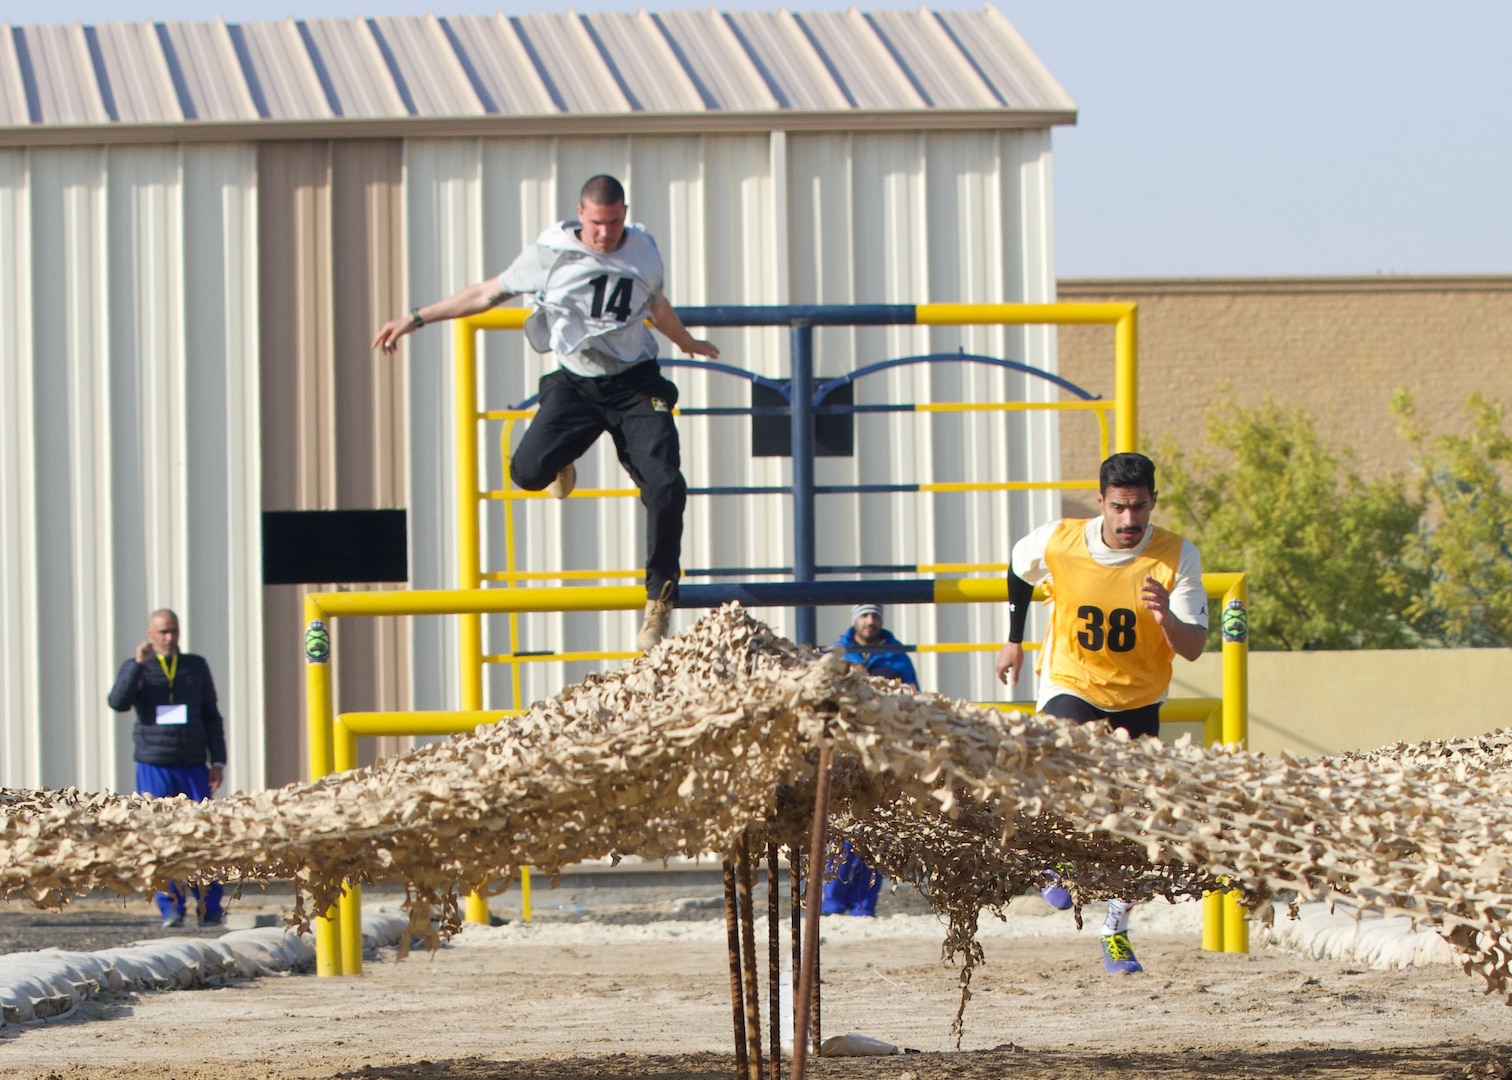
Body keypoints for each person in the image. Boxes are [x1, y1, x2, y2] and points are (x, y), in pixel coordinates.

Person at [373, 175, 719, 651]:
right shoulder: (551, 253)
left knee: (665, 484)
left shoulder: (642, 248)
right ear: (581, 215)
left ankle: (659, 600)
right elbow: (484, 293)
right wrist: (414, 319)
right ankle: (560, 458)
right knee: (527, 471)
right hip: (577, 383)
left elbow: (655, 304)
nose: (606, 234)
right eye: (598, 224)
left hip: (636, 383)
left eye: (615, 223)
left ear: (625, 214)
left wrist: (686, 341)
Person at [993, 452, 1207, 973]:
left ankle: (1116, 926)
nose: (1129, 520)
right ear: (1102, 503)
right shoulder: (1060, 539)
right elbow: (1019, 570)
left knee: (1137, 816)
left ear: (1153, 502)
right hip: (1072, 678)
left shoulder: (1177, 555)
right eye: (1119, 508)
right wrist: (1013, 640)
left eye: (1139, 508)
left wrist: (1166, 620)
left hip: (1139, 696)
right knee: (1062, 760)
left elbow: (1195, 645)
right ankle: (1056, 863)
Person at [107, 609, 227, 928]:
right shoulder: (138, 667)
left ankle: (210, 906)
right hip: (154, 763)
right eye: (162, 632)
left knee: (203, 835)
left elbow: (211, 714)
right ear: (150, 633)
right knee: (159, 836)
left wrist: (218, 760)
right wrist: (137, 665)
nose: (169, 637)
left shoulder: (195, 666)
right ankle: (171, 908)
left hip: (192, 763)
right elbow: (118, 702)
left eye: (173, 631)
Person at [824, 603, 919, 917]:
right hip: (846, 751)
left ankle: (865, 905)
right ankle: (833, 901)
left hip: (884, 754)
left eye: (875, 616)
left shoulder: (896, 658)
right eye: (864, 615)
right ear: (855, 621)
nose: (870, 621)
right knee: (842, 828)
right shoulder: (838, 655)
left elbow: (913, 700)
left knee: (876, 830)